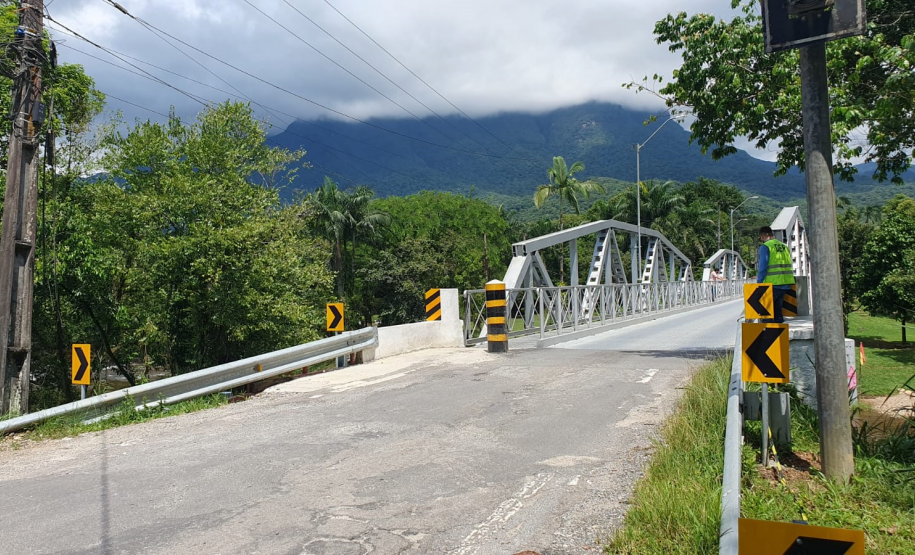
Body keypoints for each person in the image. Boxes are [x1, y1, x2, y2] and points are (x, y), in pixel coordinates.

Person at [756, 226, 795, 323]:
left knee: (767, 316)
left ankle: (769, 336)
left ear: (763, 236)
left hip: (772, 284)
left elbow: (763, 267)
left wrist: (759, 282)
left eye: (761, 237)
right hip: (785, 283)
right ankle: (780, 336)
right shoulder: (784, 246)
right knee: (778, 314)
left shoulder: (766, 246)